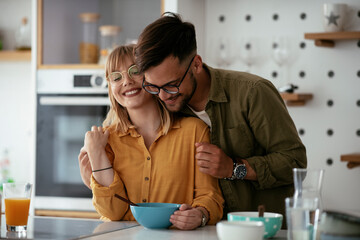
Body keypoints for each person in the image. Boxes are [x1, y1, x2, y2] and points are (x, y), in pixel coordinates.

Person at [133, 12, 307, 223]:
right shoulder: (161, 104)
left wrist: (234, 168)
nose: (162, 96)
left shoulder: (253, 92)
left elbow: (295, 162)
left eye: (171, 85)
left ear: (196, 64)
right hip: (199, 232)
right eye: (153, 86)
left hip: (264, 229)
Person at [80, 44, 224, 230]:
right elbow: (112, 213)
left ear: (151, 77)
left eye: (135, 71)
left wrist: (200, 215)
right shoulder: (105, 141)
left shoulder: (195, 131)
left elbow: (210, 196)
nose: (126, 81)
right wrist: (97, 154)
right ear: (111, 87)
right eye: (116, 76)